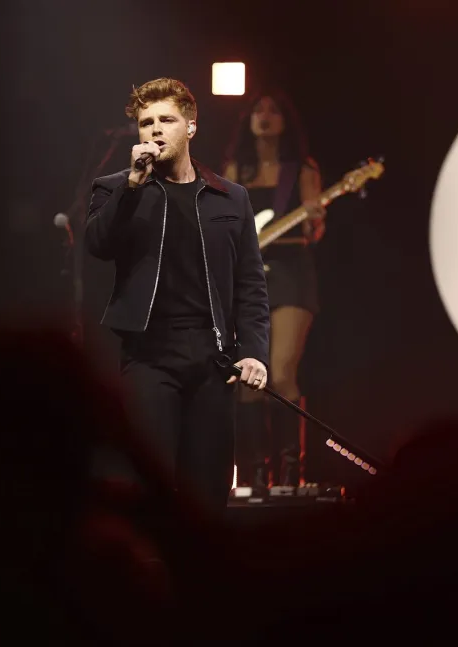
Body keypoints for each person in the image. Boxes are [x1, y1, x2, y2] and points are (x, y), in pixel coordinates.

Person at [85, 77, 270, 512]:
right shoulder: (115, 188)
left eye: (166, 120)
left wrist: (255, 352)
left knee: (207, 493)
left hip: (213, 360)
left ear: (190, 127)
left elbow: (251, 284)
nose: (154, 129)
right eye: (146, 122)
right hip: (149, 356)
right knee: (148, 488)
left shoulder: (231, 197)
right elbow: (97, 245)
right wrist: (132, 186)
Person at [223, 90, 324, 489]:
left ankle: (289, 472)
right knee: (248, 377)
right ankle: (254, 473)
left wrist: (314, 218)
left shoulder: (301, 170)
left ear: (285, 121)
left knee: (280, 372)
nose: (264, 116)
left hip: (291, 272)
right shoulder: (236, 169)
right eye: (257, 110)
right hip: (248, 276)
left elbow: (314, 231)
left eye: (273, 111)